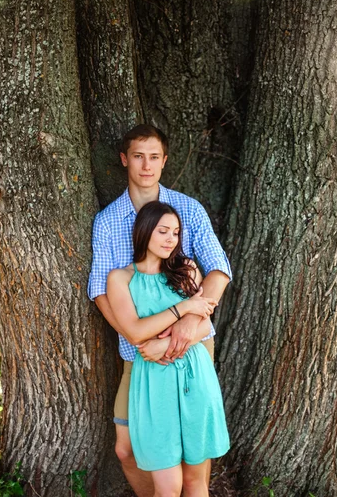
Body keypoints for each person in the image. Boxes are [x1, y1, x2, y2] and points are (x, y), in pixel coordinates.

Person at [88, 124, 231, 497]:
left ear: (164, 161)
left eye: (154, 157)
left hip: (192, 346)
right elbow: (100, 291)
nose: (146, 165)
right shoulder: (107, 221)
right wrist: (138, 337)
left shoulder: (188, 209)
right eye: (138, 156)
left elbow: (218, 271)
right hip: (138, 355)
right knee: (128, 448)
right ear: (124, 160)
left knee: (190, 459)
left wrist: (184, 329)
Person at [106, 201, 230, 497]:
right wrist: (185, 306)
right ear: (144, 232)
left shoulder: (186, 270)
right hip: (154, 385)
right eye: (163, 231)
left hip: (195, 378)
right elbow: (134, 330)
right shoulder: (121, 279)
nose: (171, 239)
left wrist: (163, 341)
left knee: (194, 482)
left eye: (175, 233)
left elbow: (203, 326)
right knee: (167, 487)